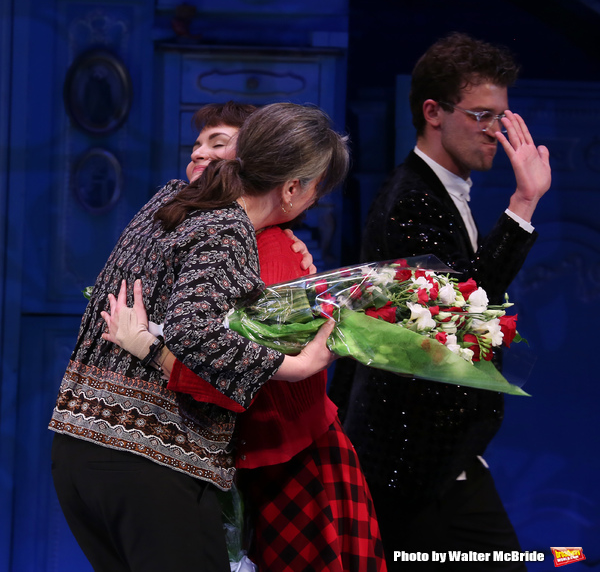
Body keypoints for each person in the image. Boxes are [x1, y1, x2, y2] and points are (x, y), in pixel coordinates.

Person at [49, 101, 349, 572]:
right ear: (292, 188)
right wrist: (298, 367)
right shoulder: (228, 228)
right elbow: (198, 335)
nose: (314, 202)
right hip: (151, 460)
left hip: (79, 453)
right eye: (316, 190)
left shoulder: (172, 200)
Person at [329, 32, 551, 570]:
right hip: (408, 463)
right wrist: (524, 203)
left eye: (501, 116)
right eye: (481, 115)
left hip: (441, 458)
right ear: (433, 112)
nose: (496, 132)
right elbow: (457, 311)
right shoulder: (410, 202)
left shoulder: (443, 193)